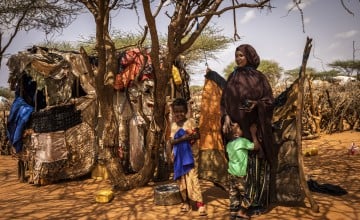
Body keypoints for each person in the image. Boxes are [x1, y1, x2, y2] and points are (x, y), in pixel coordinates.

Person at [221, 44, 275, 215]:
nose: (238, 59)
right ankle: (238, 204)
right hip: (236, 129)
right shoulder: (232, 76)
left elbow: (269, 101)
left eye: (241, 56)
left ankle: (254, 203)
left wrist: (256, 104)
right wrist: (227, 117)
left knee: (255, 165)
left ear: (250, 57)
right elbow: (224, 102)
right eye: (236, 55)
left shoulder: (260, 78)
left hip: (254, 128)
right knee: (238, 165)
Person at [169, 98, 207, 216]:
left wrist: (182, 139)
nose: (179, 114)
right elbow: (171, 141)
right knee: (181, 180)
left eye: (181, 111)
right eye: (176, 111)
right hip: (178, 156)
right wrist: (171, 153)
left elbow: (197, 135)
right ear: (173, 112)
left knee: (193, 178)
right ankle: (186, 202)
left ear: (185, 111)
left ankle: (200, 203)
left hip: (190, 155)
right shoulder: (173, 125)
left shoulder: (191, 121)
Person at [226, 122, 260, 219]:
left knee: (233, 194)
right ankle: (241, 212)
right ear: (236, 134)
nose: (242, 130)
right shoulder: (242, 141)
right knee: (249, 193)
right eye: (240, 128)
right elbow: (256, 147)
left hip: (231, 173)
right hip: (240, 174)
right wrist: (253, 133)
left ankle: (233, 213)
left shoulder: (228, 145)